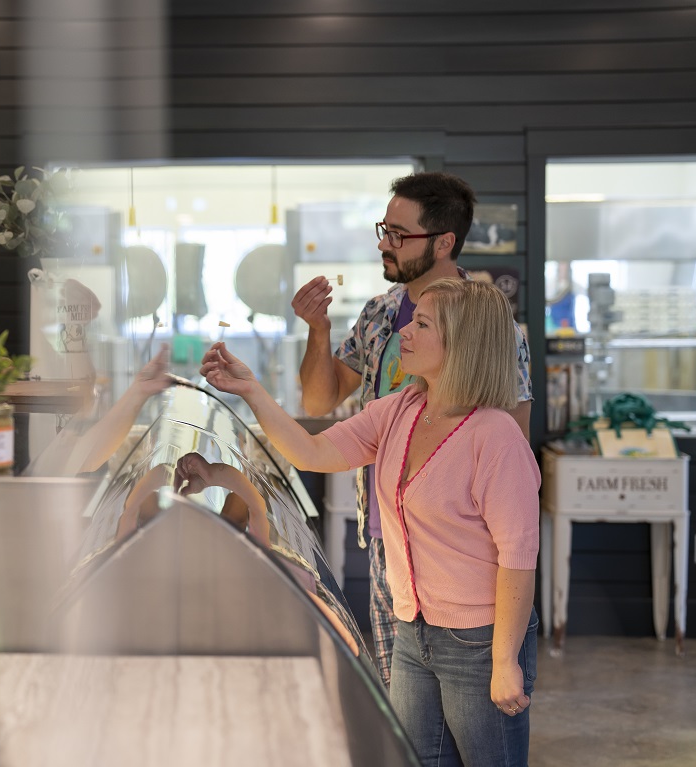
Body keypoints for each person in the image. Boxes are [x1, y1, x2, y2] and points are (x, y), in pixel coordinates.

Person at [201, 278, 539, 765]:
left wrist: (505, 660)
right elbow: (312, 452)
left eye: (421, 323)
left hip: (480, 640)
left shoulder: (497, 436)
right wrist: (250, 390)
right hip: (412, 630)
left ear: (461, 341)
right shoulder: (400, 410)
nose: (406, 331)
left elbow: (519, 557)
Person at [289, 171, 532, 687]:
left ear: (445, 242)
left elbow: (513, 444)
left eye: (399, 234)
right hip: (385, 534)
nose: (384, 244)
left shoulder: (489, 324)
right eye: (384, 229)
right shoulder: (378, 316)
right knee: (402, 693)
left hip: (460, 550)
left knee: (470, 694)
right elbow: (318, 399)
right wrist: (318, 330)